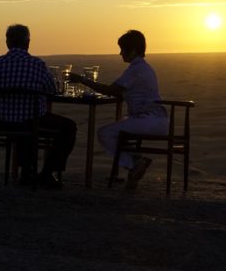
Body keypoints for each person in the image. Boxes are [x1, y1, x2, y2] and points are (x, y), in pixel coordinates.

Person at [68, 30, 168, 189]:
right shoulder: (143, 68)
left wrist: (82, 80)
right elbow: (121, 90)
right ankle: (133, 167)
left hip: (149, 120)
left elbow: (110, 90)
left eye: (123, 49)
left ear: (133, 50)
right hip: (155, 119)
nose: (120, 53)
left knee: (105, 133)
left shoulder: (135, 69)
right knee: (119, 131)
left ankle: (133, 163)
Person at [0, 24, 77, 189]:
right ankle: (47, 173)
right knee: (68, 127)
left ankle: (27, 172)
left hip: (2, 121)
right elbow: (52, 90)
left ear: (7, 43)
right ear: (28, 43)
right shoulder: (36, 65)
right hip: (32, 120)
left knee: (24, 126)